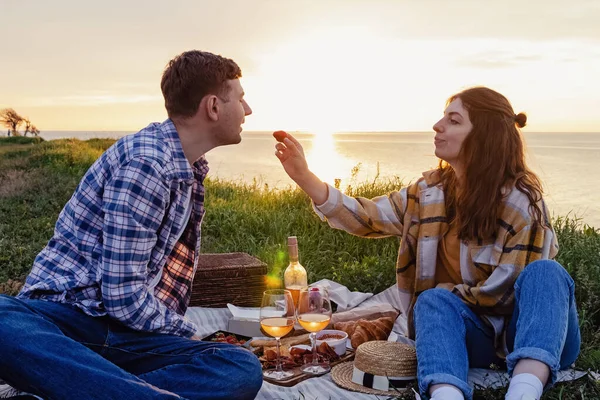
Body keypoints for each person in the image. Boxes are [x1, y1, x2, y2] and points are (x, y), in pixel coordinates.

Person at [273, 87, 580, 400]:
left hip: (532, 335)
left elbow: (504, 294)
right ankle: (446, 395)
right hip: (473, 338)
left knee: (546, 273)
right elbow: (367, 217)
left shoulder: (522, 201)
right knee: (430, 300)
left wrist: (450, 295)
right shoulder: (427, 192)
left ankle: (524, 391)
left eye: (453, 120)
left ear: (483, 135)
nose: (437, 125)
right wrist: (304, 176)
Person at [0, 50, 262, 400]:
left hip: (121, 336)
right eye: (241, 99)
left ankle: (82, 385)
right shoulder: (149, 163)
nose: (248, 110)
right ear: (213, 107)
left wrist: (179, 338)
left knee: (240, 366)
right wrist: (185, 332)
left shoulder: (187, 168)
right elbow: (122, 297)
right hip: (70, 319)